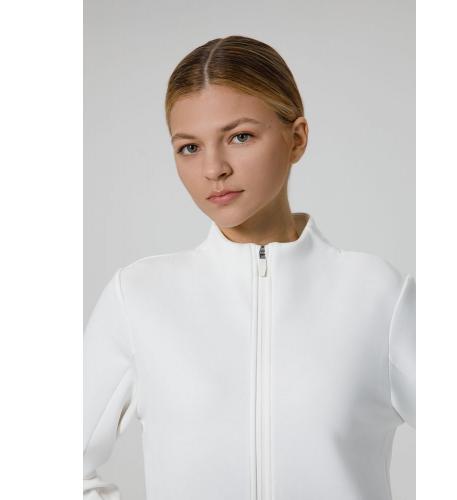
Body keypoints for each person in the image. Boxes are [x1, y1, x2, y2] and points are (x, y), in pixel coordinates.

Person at [83, 35, 415, 500]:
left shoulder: (376, 295)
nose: (214, 168)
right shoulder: (138, 297)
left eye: (239, 137)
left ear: (296, 138)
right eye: (189, 147)